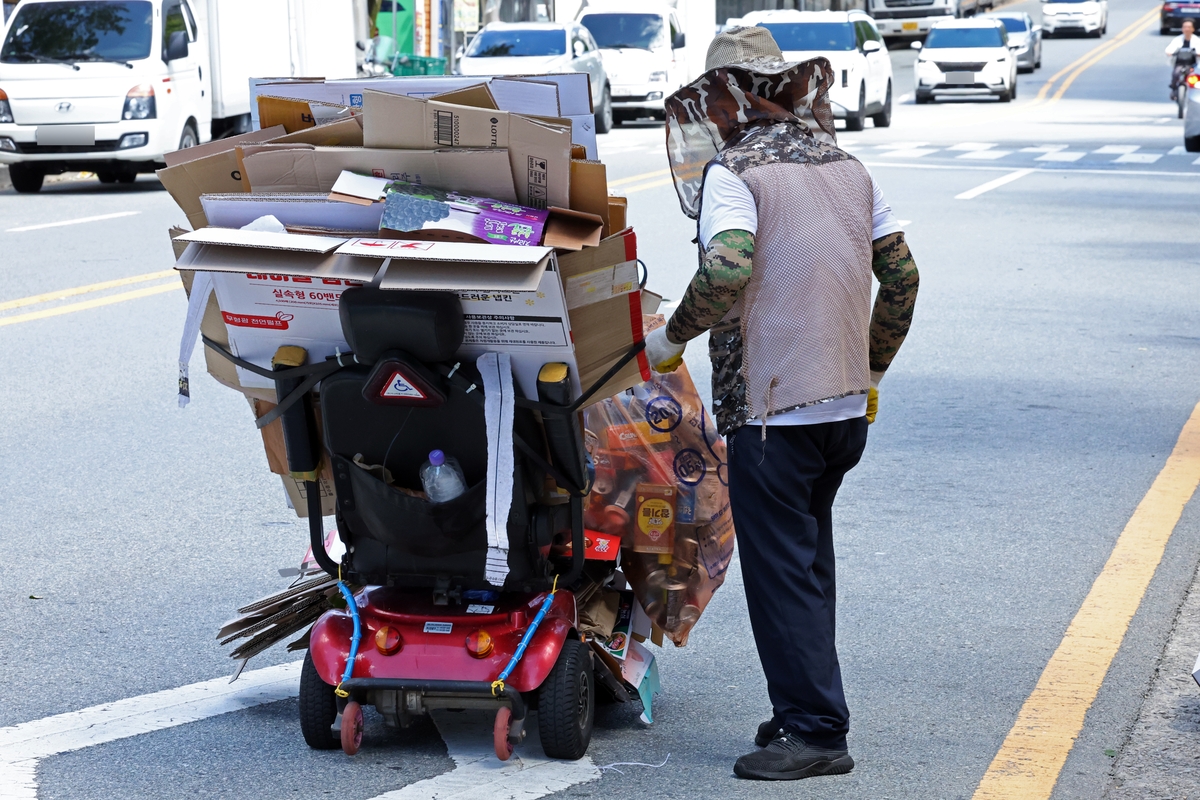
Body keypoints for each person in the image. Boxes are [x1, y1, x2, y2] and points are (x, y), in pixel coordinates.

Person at [644, 27, 919, 781]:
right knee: (807, 564)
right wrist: (871, 373)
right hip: (840, 412)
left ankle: (817, 730)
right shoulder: (852, 167)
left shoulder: (734, 173)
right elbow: (903, 281)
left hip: (772, 411)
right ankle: (800, 707)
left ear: (728, 98)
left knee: (780, 573)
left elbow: (727, 267)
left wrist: (670, 336)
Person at [1166, 19, 1198, 101]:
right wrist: (1169, 52)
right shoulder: (1177, 40)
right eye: (1185, 27)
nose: (1187, 29)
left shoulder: (1197, 40)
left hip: (1192, 65)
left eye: (1189, 27)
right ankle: (1174, 89)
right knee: (1175, 73)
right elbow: (1170, 48)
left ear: (1193, 29)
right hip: (1180, 64)